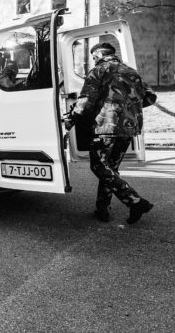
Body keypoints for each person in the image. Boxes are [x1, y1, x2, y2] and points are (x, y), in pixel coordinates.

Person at [65, 42, 157, 224]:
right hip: (129, 127)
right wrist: (128, 108)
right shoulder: (131, 71)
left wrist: (71, 120)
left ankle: (135, 201)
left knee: (99, 166)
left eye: (94, 57)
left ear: (98, 55)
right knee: (110, 169)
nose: (93, 60)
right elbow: (150, 97)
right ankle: (102, 209)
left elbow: (85, 101)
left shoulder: (100, 70)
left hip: (107, 126)